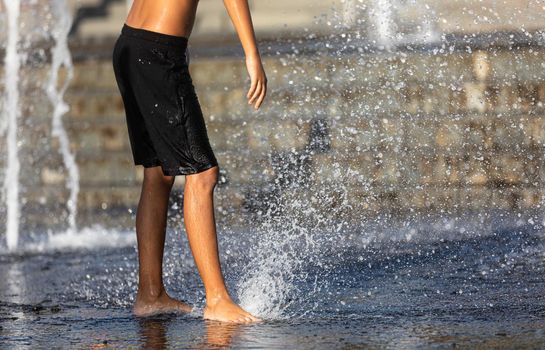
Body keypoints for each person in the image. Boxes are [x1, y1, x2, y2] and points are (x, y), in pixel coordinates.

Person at [112, 0, 267, 323]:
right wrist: (251, 53)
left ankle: (150, 294)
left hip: (133, 45)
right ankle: (217, 299)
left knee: (158, 174)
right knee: (203, 173)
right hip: (157, 53)